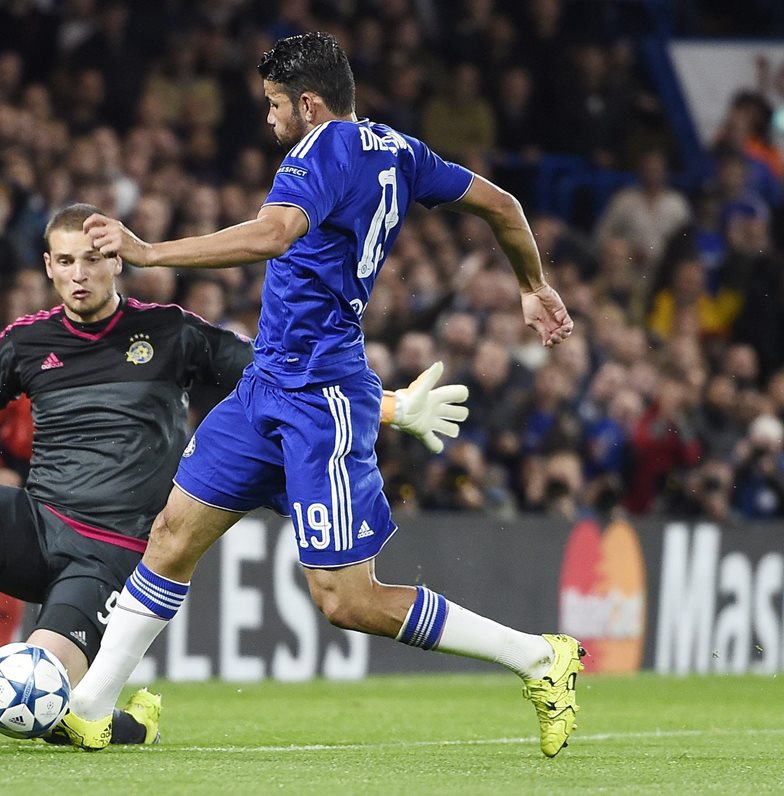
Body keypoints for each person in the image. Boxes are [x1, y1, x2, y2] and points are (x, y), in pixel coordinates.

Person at [0, 202, 468, 746]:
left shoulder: (172, 334)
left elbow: (287, 380)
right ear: (48, 267)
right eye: (64, 261)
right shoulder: (26, 343)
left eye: (92, 257)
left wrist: (395, 404)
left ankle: (121, 726)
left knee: (38, 703)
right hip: (35, 520)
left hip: (112, 555)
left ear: (116, 259)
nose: (79, 273)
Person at [58, 32, 582, 759]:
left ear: (308, 103)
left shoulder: (320, 151)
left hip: (322, 394)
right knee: (173, 533)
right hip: (267, 383)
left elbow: (274, 234)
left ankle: (537, 657)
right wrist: (533, 285)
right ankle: (89, 704)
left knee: (347, 601)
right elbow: (502, 204)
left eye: (274, 105)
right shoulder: (399, 150)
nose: (268, 119)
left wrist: (150, 254)